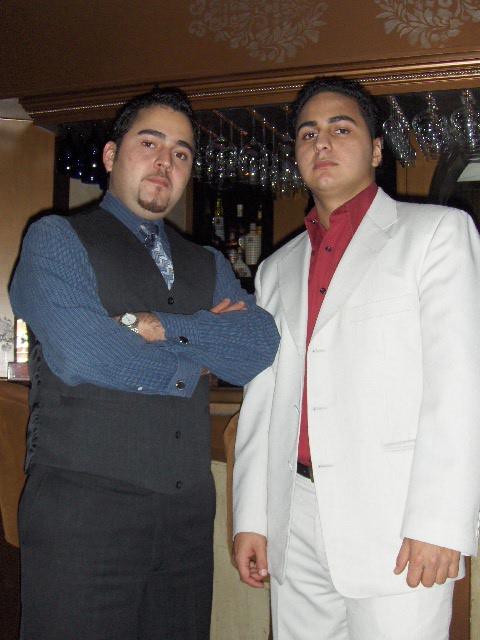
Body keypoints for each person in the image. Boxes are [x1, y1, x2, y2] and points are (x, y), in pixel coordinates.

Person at [10, 87, 280, 640]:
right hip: (84, 514)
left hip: (186, 519)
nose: (165, 163)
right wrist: (199, 361)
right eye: (150, 143)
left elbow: (258, 345)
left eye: (180, 153)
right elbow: (84, 352)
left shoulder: (206, 261)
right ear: (111, 156)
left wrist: (158, 326)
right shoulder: (56, 239)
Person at [232, 76, 480, 639]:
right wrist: (253, 518)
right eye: (308, 133)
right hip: (294, 515)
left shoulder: (436, 235)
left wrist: (441, 522)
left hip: (397, 521)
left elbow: (460, 386)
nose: (322, 142)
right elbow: (262, 400)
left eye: (341, 129)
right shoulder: (276, 269)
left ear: (375, 150)